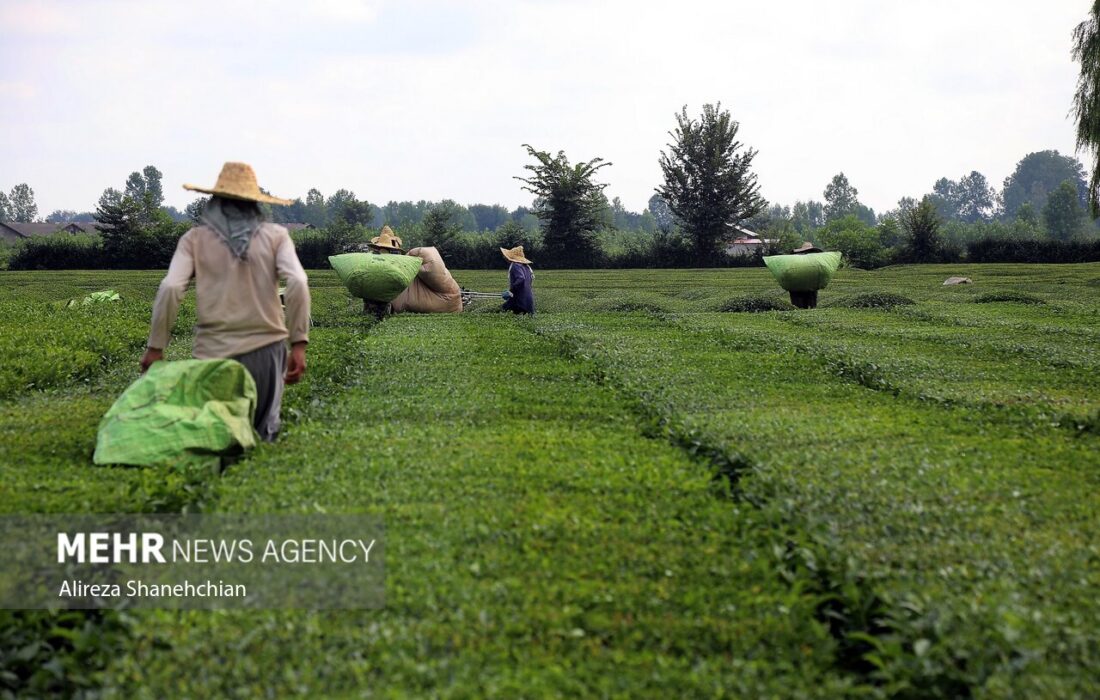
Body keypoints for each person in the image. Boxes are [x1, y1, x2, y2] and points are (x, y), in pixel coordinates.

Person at [141, 162, 311, 442]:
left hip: (212, 355)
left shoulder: (194, 240)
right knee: (261, 436)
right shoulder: (275, 237)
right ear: (255, 205)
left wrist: (155, 347)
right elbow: (298, 282)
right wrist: (299, 343)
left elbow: (171, 287)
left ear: (215, 202)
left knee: (215, 437)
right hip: (265, 353)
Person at [362, 226, 404, 318]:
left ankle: (370, 314)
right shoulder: (391, 257)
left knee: (370, 309)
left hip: (371, 287)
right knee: (382, 308)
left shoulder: (371, 256)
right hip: (382, 289)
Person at [500, 246, 535, 314]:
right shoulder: (527, 267)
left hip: (519, 301)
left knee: (502, 311)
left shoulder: (515, 265)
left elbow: (521, 278)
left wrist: (510, 290)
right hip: (529, 302)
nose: (504, 258)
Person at [789, 241, 823, 309]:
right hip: (797, 288)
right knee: (798, 307)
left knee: (811, 307)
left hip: (811, 287)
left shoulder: (814, 260)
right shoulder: (796, 259)